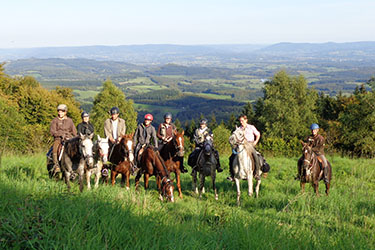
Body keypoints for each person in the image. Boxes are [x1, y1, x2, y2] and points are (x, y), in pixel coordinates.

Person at [227, 115, 261, 182]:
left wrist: (255, 142)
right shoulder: (239, 129)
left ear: (246, 120)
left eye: (242, 120)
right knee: (232, 157)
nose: (241, 122)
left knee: (255, 155)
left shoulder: (251, 127)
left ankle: (256, 173)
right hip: (241, 145)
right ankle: (232, 175)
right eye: (240, 121)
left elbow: (258, 134)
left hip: (249, 144)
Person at [49, 104, 77, 172]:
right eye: (59, 111)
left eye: (62, 111)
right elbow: (52, 131)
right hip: (58, 138)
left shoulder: (70, 120)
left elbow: (74, 131)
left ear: (65, 112)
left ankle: (75, 165)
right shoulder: (55, 120)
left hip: (69, 138)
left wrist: (77, 137)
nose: (60, 113)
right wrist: (60, 134)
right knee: (55, 148)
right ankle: (56, 165)